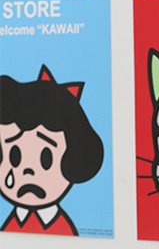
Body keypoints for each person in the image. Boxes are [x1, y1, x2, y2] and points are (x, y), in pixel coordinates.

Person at [0, 66, 104, 235]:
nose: (28, 171)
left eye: (46, 159)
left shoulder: (65, 230)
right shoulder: (9, 224)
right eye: (14, 157)